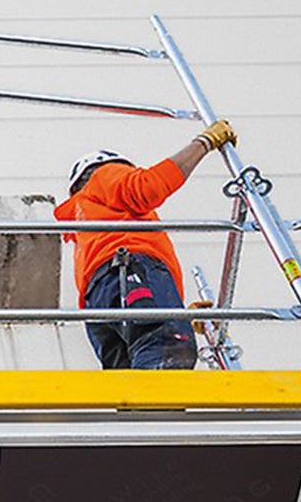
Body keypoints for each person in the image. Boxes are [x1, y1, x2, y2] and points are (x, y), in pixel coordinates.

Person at [54, 120, 237, 369]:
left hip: (100, 301)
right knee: (167, 348)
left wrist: (178, 312)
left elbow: (119, 295)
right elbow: (146, 187)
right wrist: (204, 143)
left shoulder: (85, 228)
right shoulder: (104, 176)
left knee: (131, 379)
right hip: (131, 270)